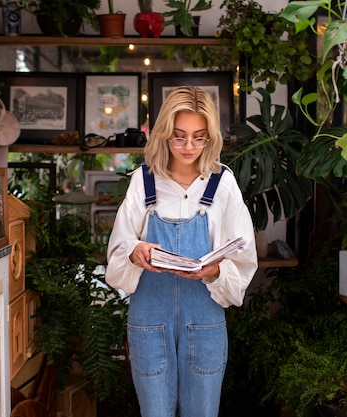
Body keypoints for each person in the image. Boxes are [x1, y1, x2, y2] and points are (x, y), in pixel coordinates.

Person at [106, 86, 258, 417]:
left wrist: (215, 271)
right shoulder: (142, 181)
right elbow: (116, 255)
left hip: (204, 321)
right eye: (179, 137)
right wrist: (135, 252)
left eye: (199, 137)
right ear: (163, 134)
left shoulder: (223, 183)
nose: (189, 147)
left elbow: (244, 259)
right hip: (149, 322)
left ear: (210, 137)